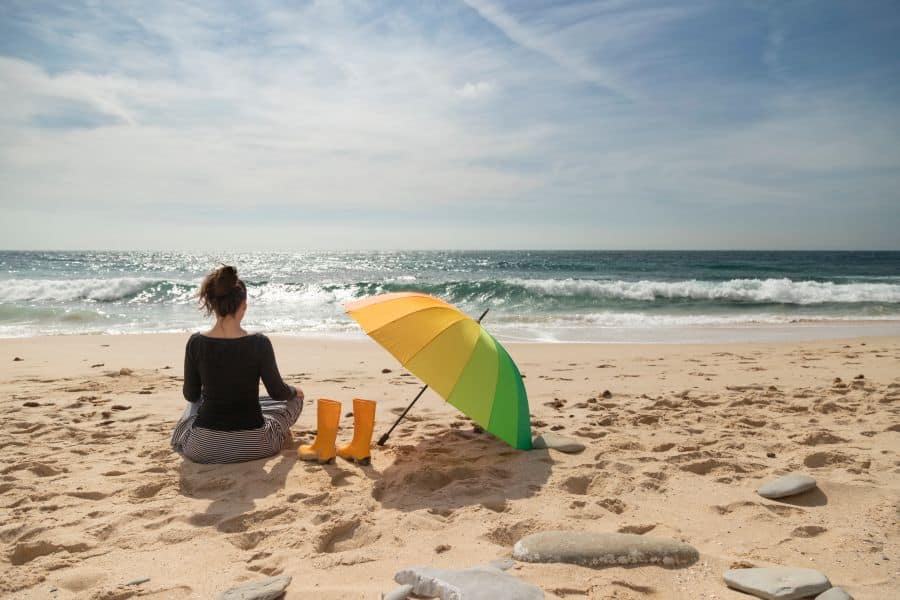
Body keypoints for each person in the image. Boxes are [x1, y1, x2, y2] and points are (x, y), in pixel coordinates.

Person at [170, 265, 303, 463]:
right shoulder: (260, 343)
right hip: (256, 445)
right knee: (293, 399)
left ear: (212, 304)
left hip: (202, 448)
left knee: (194, 405)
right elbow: (277, 392)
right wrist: (295, 391)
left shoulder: (196, 343)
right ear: (244, 305)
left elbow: (191, 395)